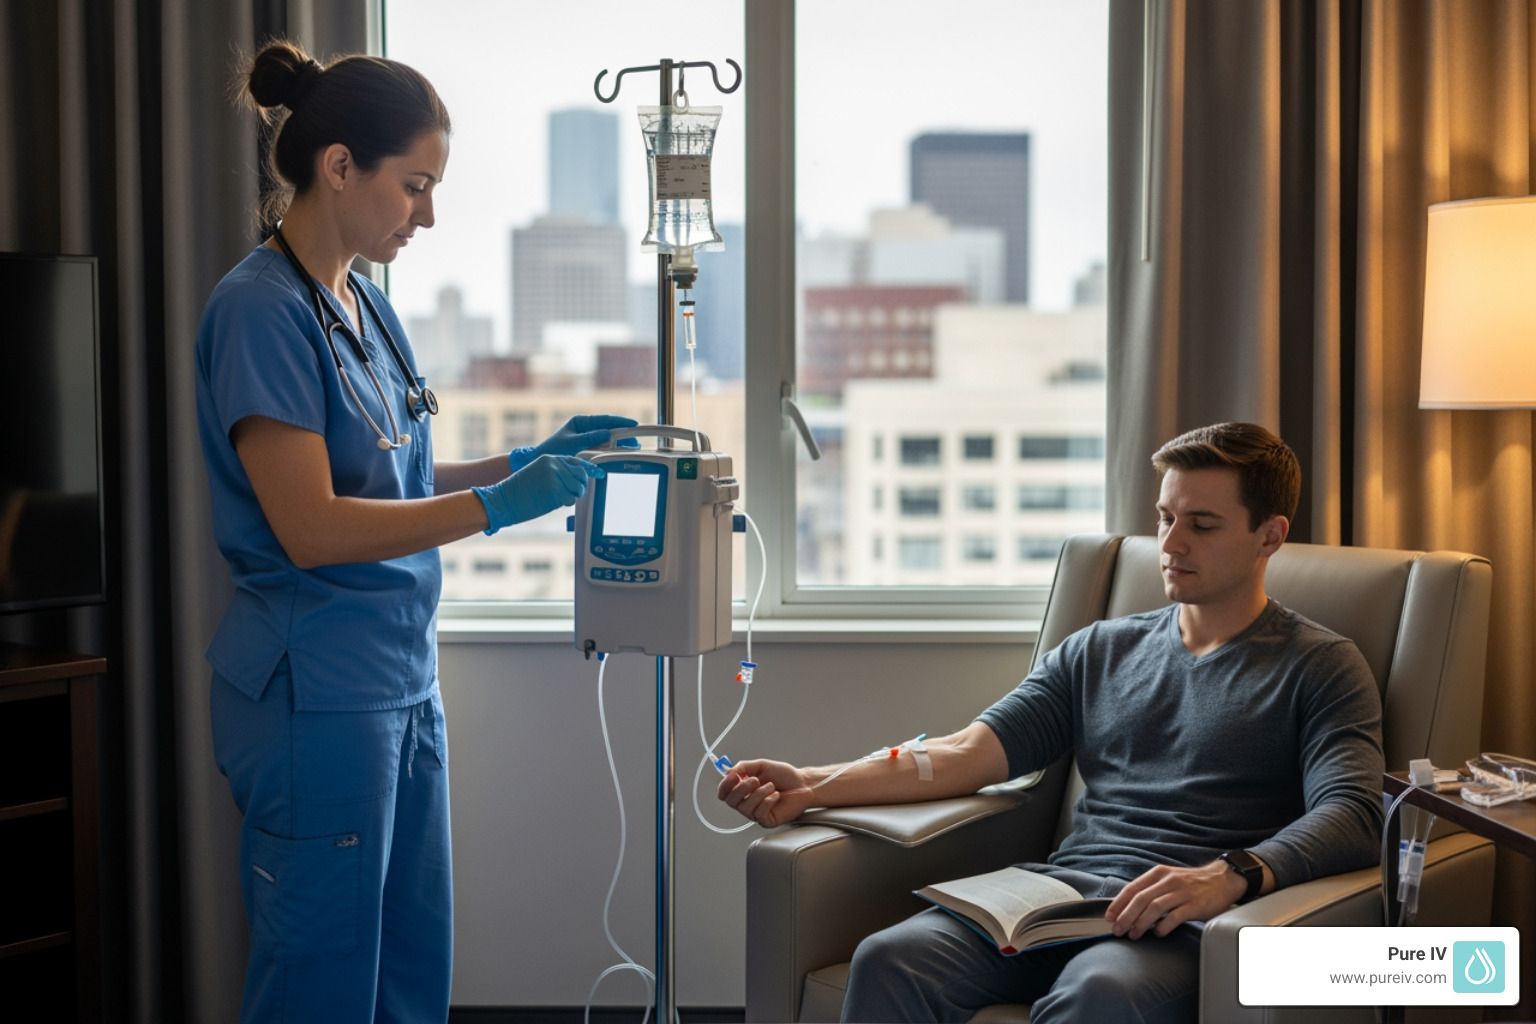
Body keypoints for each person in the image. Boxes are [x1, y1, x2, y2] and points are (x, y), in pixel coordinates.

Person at [194, 41, 634, 1022]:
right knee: (321, 982)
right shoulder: (259, 313)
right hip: (315, 695)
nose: (427, 214)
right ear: (339, 164)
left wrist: (523, 463)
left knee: (408, 971)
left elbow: (404, 479)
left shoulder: (371, 310)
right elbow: (310, 526)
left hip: (401, 685)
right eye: (415, 185)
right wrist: (498, 509)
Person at [717, 422, 1385, 1023]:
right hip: (1056, 900)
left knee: (1098, 993)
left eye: (1202, 526)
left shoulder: (1320, 664)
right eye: (1165, 518)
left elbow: (1355, 814)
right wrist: (811, 783)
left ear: (1269, 534)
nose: (1171, 544)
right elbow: (962, 753)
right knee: (893, 958)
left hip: (1179, 919)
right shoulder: (1102, 649)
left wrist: (1230, 874)